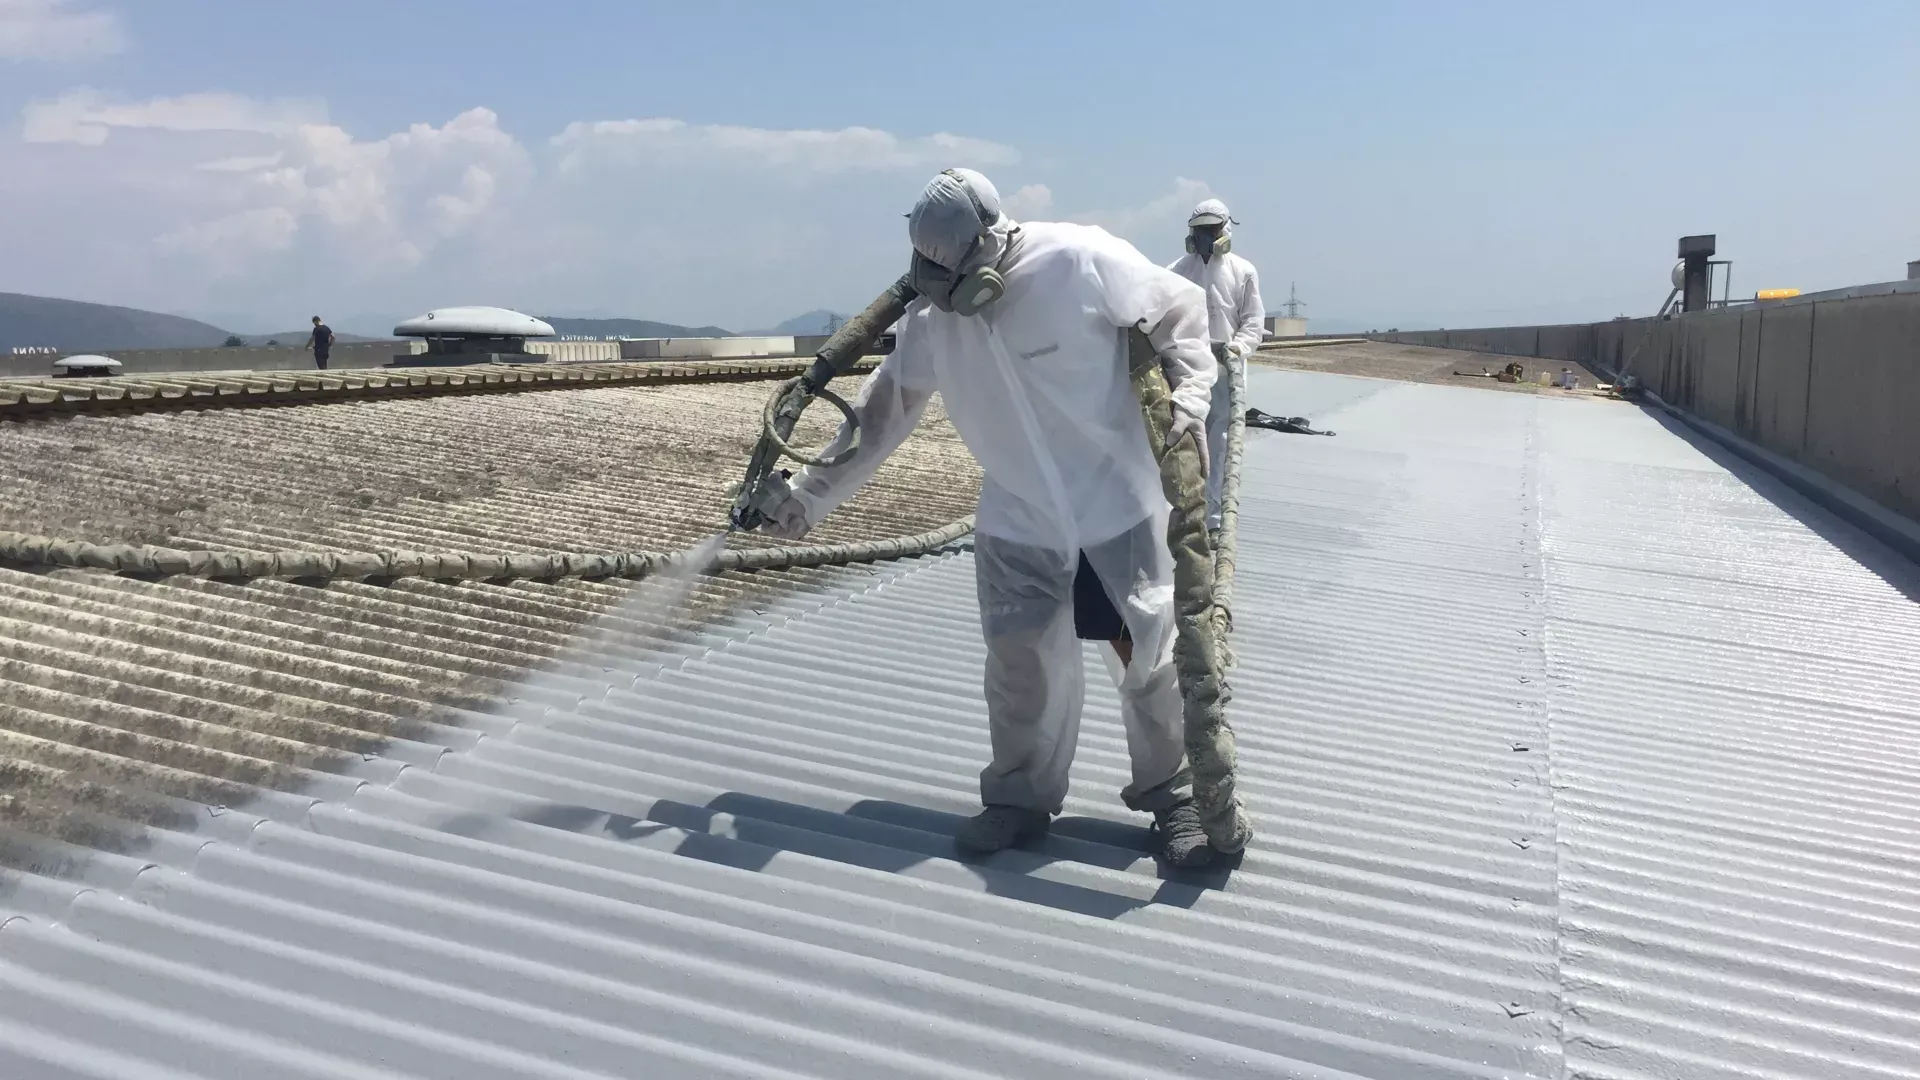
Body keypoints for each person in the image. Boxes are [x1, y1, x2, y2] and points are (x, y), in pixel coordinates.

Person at [760, 168, 1228, 867]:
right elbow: (885, 412)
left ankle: (1174, 794)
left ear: (993, 242)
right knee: (1017, 662)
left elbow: (1182, 311)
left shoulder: (1078, 260)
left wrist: (1190, 400)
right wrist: (810, 497)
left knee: (1149, 650)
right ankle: (1018, 799)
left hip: (1113, 498)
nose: (954, 297)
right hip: (1018, 511)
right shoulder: (931, 315)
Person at [1167, 199, 1264, 536]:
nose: (1207, 238)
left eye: (1213, 230)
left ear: (1225, 230)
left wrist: (1238, 347)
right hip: (1188, 368)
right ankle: (1184, 512)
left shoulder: (1243, 272)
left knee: (1220, 441)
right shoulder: (1175, 271)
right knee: (1185, 438)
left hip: (1226, 370)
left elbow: (1253, 321)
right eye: (1200, 231)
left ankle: (1214, 520)